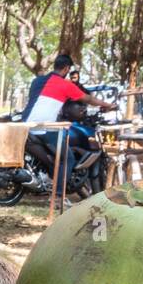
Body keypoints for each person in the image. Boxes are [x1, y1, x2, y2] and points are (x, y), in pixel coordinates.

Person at [23, 54, 117, 201]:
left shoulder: (37, 81)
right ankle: (58, 196)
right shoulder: (65, 85)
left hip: (24, 126)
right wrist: (108, 105)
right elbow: (88, 99)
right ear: (67, 68)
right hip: (43, 127)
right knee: (67, 158)